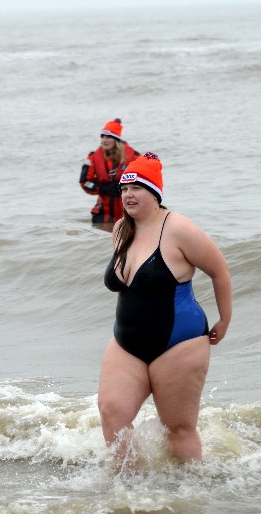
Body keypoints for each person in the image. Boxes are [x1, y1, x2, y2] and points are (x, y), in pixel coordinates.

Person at [98, 152, 232, 467]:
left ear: (155, 192)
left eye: (136, 189)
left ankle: (191, 494)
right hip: (126, 342)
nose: (128, 195)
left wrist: (225, 319)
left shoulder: (179, 229)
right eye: (124, 189)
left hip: (180, 343)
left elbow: (220, 271)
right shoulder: (121, 229)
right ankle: (127, 490)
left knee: (179, 429)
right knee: (111, 413)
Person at [79, 118, 140, 231]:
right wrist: (103, 188)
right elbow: (84, 182)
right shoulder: (92, 158)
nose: (104, 140)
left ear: (116, 140)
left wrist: (124, 188)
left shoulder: (134, 157)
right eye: (102, 136)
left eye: (108, 136)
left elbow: (145, 183)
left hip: (128, 213)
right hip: (102, 214)